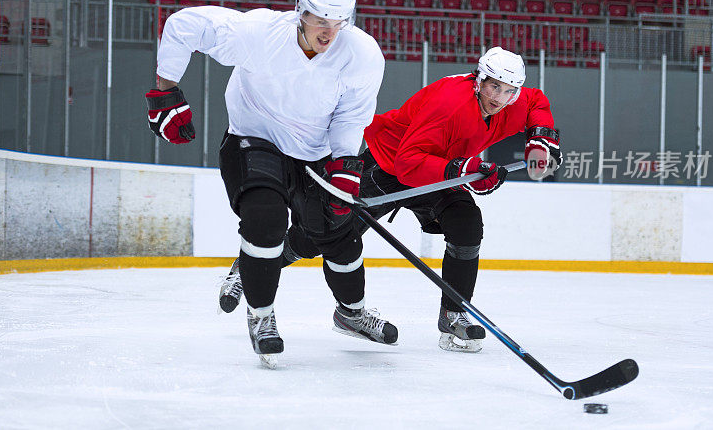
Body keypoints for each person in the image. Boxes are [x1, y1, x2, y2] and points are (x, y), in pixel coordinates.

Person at [219, 47, 561, 354]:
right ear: (478, 79)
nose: (500, 98)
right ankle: (246, 268)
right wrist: (463, 168)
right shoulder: (450, 104)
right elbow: (409, 164)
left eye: (509, 90)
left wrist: (540, 142)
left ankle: (454, 313)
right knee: (323, 235)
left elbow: (536, 103)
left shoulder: (516, 101)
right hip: (389, 165)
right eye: (494, 87)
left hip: (440, 169)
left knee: (467, 224)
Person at [146, 0, 398, 367]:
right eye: (320, 20)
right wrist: (165, 92)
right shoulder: (258, 33)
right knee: (266, 220)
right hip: (254, 138)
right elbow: (183, 25)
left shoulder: (362, 55)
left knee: (339, 235)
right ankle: (261, 316)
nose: (329, 32)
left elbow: (350, 117)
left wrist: (345, 165)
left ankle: (351, 314)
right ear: (300, 10)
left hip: (314, 151)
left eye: (339, 22)